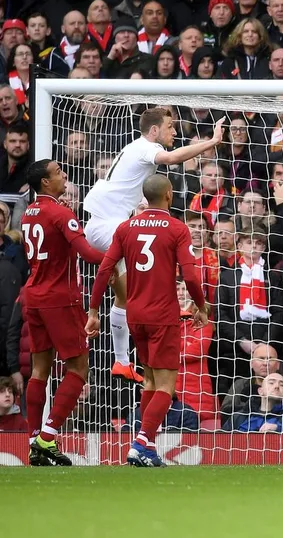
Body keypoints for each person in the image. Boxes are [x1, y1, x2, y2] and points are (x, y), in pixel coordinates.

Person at [81, 107, 222, 384]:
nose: (175, 132)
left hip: (103, 225)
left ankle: (122, 362)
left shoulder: (134, 149)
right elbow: (172, 158)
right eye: (170, 127)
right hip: (108, 226)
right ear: (154, 130)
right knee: (154, 252)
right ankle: (166, 307)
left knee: (124, 293)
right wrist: (213, 142)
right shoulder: (147, 147)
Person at [85, 175, 208, 467]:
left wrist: (93, 311)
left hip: (135, 315)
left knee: (150, 381)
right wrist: (201, 306)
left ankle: (148, 447)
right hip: (163, 315)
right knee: (166, 386)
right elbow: (191, 276)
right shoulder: (177, 228)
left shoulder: (126, 227)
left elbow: (104, 270)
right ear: (169, 195)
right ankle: (140, 443)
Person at [20, 159, 105, 466]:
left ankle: (34, 440)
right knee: (79, 369)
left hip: (34, 295)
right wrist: (121, 253)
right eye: (57, 172)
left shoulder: (29, 213)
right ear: (45, 182)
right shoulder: (60, 213)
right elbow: (88, 254)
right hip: (60, 298)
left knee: (39, 371)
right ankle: (48, 436)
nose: (64, 174)